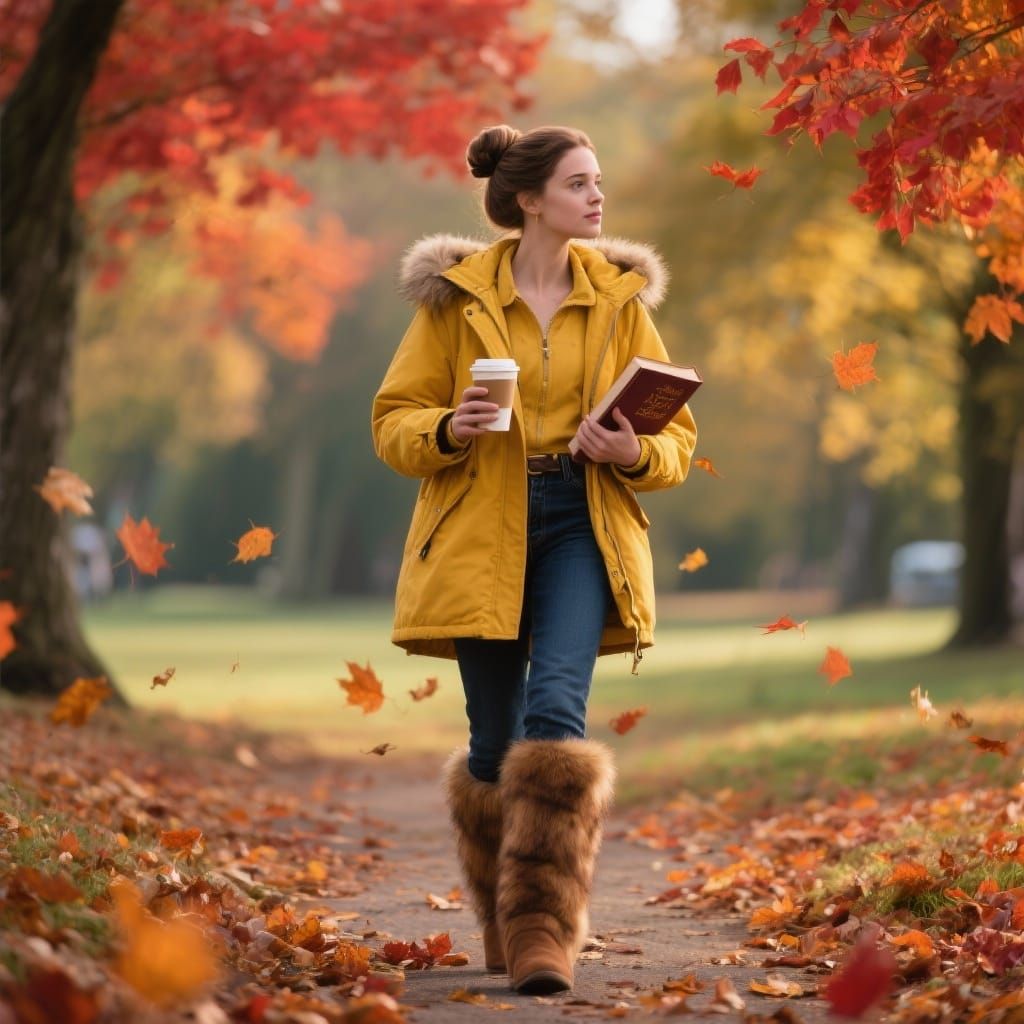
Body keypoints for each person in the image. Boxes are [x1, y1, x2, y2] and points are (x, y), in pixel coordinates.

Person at [371, 124, 697, 995]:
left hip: (580, 522)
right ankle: (500, 917)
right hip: (481, 523)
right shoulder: (454, 299)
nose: (598, 197)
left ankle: (542, 929)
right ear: (528, 201)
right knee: (493, 740)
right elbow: (394, 421)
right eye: (579, 183)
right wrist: (448, 428)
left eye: (599, 181)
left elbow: (677, 440)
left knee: (555, 714)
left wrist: (633, 453)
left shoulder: (623, 302)